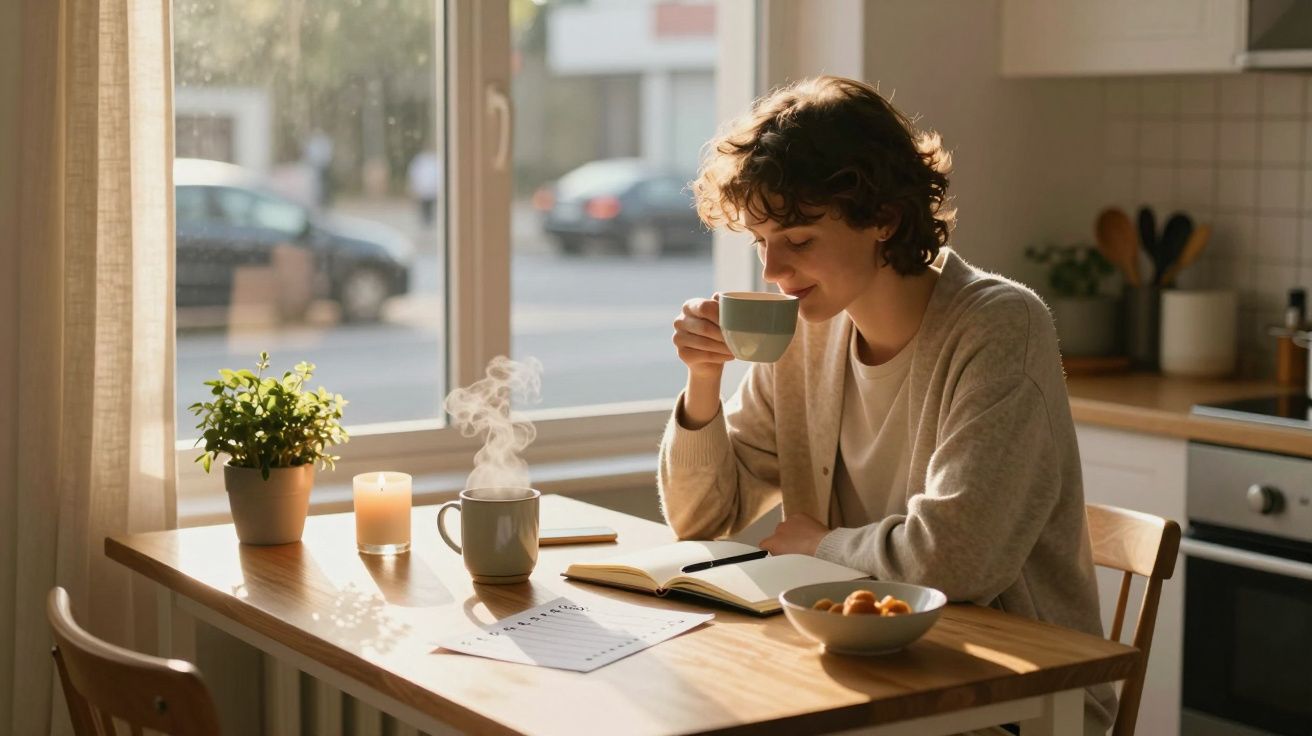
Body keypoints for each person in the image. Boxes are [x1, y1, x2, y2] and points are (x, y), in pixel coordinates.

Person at [660, 76, 1115, 734]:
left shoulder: (1001, 327)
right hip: (863, 675)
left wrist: (822, 546)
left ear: (885, 219)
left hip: (1008, 701)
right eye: (762, 242)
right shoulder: (808, 334)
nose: (773, 272)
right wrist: (703, 382)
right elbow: (701, 519)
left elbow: (956, 561)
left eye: (799, 240)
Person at [407, 148, 442, 228]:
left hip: (432, 190)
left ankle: (430, 222)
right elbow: (414, 174)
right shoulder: (420, 161)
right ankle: (426, 223)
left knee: (431, 207)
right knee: (425, 208)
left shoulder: (434, 160)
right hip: (424, 190)